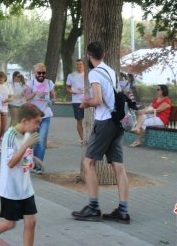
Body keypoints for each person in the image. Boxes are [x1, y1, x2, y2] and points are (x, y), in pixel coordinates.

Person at [72, 41, 130, 223]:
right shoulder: (110, 71)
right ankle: (123, 211)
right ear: (103, 54)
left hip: (105, 122)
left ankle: (93, 208)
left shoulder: (95, 73)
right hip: (118, 122)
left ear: (89, 56)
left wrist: (85, 103)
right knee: (118, 167)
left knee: (88, 163)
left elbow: (97, 100)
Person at [0, 104, 42, 246]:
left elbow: (24, 159)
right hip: (10, 189)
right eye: (36, 122)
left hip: (25, 187)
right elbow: (11, 163)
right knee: (9, 223)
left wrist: (33, 160)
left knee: (31, 222)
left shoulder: (26, 135)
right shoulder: (10, 135)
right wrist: (26, 146)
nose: (38, 126)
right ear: (25, 121)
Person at [24, 63, 55, 174]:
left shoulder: (49, 83)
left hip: (45, 116)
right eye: (39, 73)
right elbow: (26, 98)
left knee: (41, 140)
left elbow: (53, 97)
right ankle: (33, 163)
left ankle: (38, 166)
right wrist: (35, 93)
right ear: (34, 73)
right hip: (33, 117)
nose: (41, 75)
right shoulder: (30, 84)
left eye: (43, 73)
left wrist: (51, 100)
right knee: (34, 141)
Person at [66, 60, 86, 144]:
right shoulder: (71, 75)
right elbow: (67, 87)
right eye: (77, 64)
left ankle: (90, 138)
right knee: (79, 120)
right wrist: (71, 91)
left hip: (87, 98)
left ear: (83, 65)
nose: (79, 66)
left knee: (89, 120)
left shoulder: (88, 74)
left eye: (81, 64)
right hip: (76, 100)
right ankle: (82, 140)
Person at [0, 71, 14, 153]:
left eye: (2, 78)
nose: (1, 80)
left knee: (3, 127)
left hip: (5, 107)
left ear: (5, 78)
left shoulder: (8, 85)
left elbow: (12, 96)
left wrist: (8, 100)